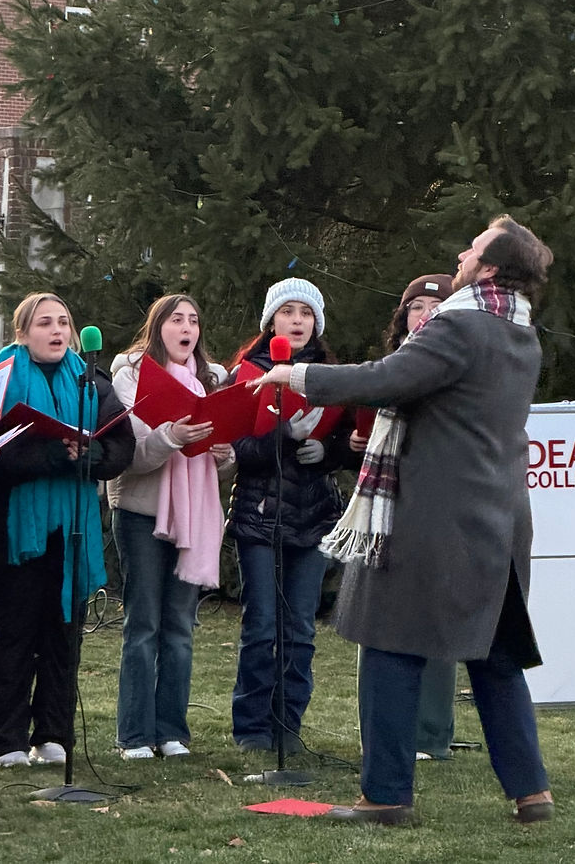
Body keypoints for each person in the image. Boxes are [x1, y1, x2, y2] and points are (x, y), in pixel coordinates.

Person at [257, 217, 556, 826]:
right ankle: (532, 794)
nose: (461, 254)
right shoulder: (519, 331)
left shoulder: (462, 325)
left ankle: (386, 796)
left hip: (434, 515)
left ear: (490, 268)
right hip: (499, 518)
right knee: (496, 658)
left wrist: (300, 375)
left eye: (473, 249)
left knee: (390, 644)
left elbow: (386, 378)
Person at [0, 293, 134, 769]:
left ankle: (53, 733)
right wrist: (49, 455)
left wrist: (93, 456)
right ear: (23, 332)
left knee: (63, 633)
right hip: (15, 529)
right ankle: (5, 738)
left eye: (63, 322)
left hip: (72, 528)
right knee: (15, 633)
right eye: (44, 323)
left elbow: (121, 444)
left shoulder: (92, 381)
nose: (57, 331)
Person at [226, 278, 355, 753]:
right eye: (287, 312)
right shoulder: (246, 373)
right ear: (271, 322)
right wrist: (282, 437)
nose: (297, 321)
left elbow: (353, 441)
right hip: (259, 514)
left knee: (300, 628)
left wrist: (329, 451)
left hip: (314, 516)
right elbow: (237, 448)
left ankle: (288, 725)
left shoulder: (333, 377)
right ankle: (252, 728)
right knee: (261, 626)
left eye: (306, 313)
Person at [108, 294, 232, 760]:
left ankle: (171, 731)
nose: (187, 328)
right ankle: (135, 735)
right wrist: (171, 436)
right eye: (176, 319)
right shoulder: (131, 374)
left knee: (180, 626)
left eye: (194, 321)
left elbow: (223, 463)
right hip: (142, 512)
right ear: (157, 326)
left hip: (195, 518)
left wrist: (225, 455)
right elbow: (131, 456)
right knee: (143, 624)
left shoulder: (213, 380)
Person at [344, 273, 460, 763]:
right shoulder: (387, 369)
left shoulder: (454, 365)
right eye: (416, 308)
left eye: (436, 308)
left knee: (433, 620)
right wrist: (354, 445)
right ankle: (381, 733)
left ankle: (431, 734)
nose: (425, 315)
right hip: (382, 509)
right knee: (377, 621)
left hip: (435, 506)